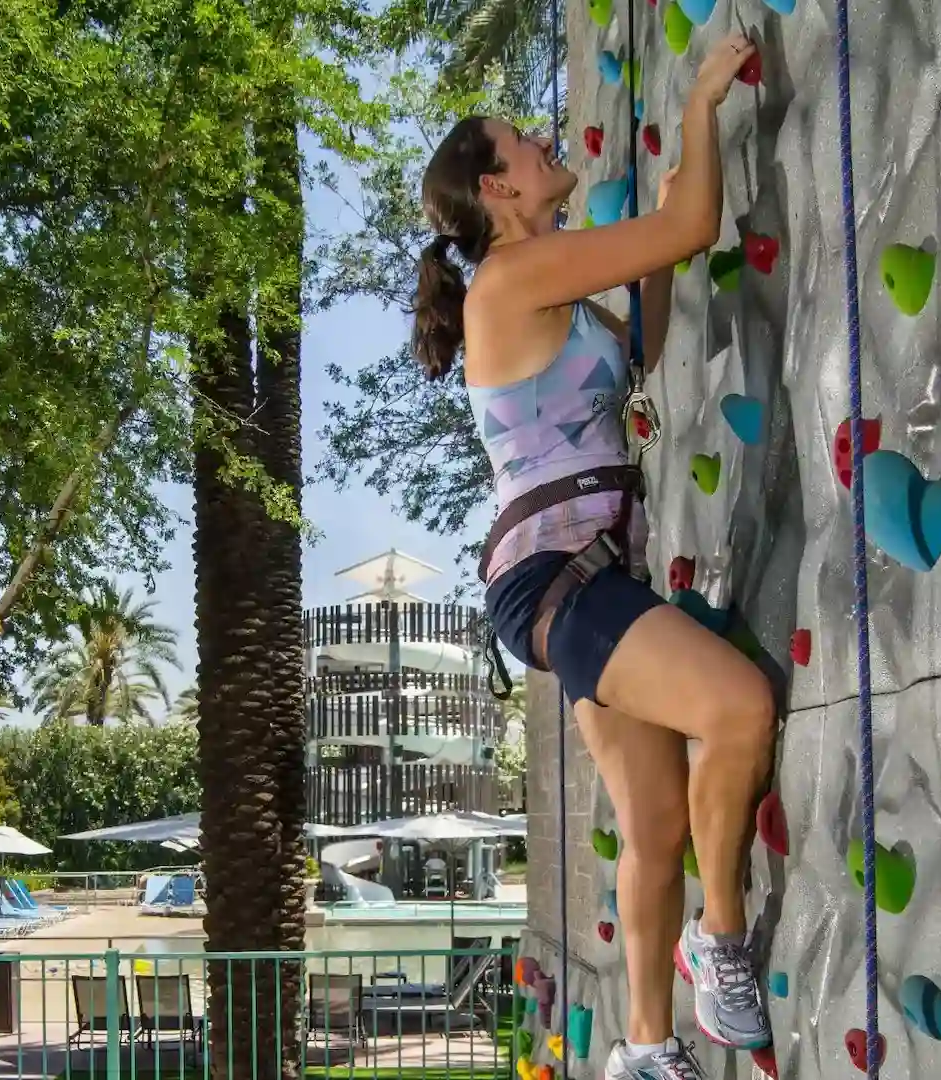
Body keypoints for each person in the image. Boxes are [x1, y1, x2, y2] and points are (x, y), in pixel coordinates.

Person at [410, 33, 774, 1080]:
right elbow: (690, 226)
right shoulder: (512, 276)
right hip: (556, 581)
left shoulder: (550, 288)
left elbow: (641, 341)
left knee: (655, 823)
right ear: (498, 187)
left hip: (576, 582)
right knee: (739, 708)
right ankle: (721, 937)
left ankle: (647, 1050)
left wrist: (661, 226)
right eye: (521, 141)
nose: (540, 138)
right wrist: (700, 107)